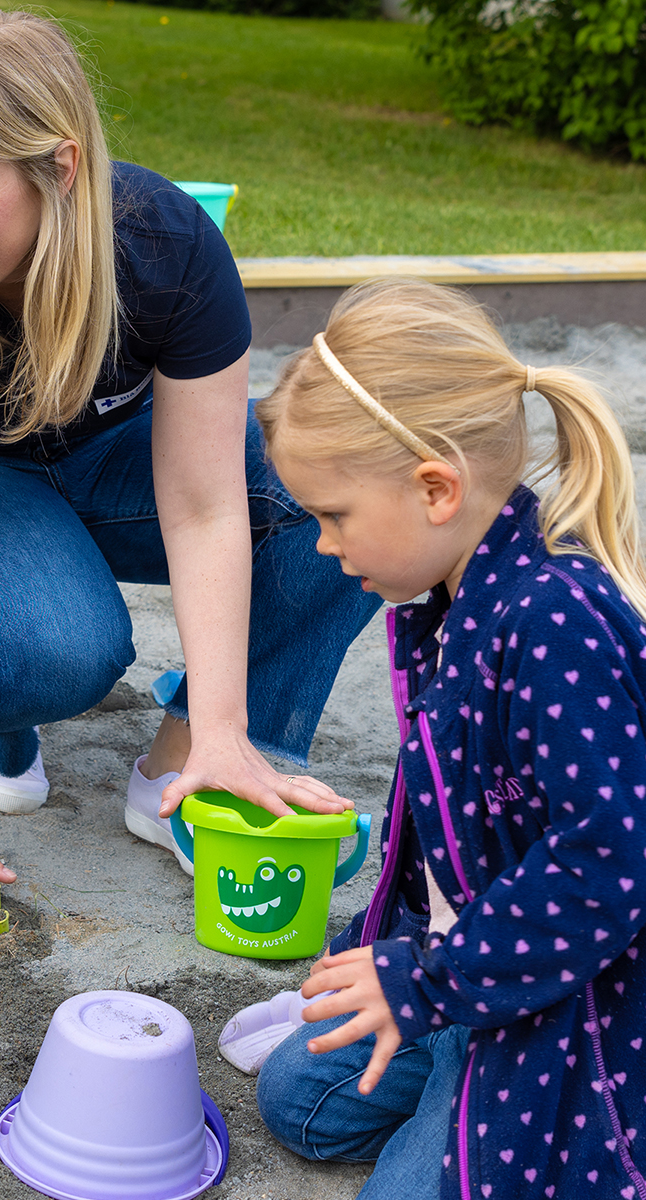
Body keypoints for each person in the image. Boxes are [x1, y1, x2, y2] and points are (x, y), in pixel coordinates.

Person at [0, 9, 382, 942]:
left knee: (349, 496)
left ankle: (193, 766)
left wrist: (223, 720)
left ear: (59, 170)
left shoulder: (163, 250)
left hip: (116, 450)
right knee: (52, 652)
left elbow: (201, 504)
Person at [239, 278, 646, 1199]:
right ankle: (456, 1075)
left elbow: (606, 864)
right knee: (299, 1099)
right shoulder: (448, 606)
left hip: (581, 999)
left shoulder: (554, 622)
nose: (322, 547)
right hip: (470, 968)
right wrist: (375, 957)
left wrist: (421, 984)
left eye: (333, 516)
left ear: (435, 488)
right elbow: (452, 834)